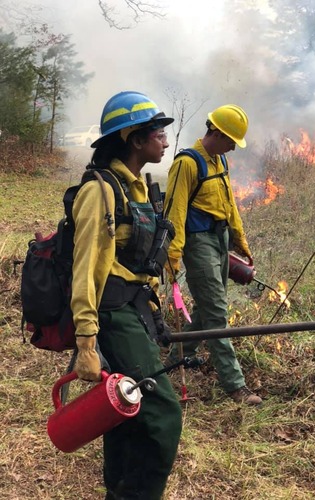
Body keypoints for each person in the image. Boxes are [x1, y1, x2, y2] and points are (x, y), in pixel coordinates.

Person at [71, 90, 182, 500]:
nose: (165, 140)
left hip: (136, 313)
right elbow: (85, 269)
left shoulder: (139, 189)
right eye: (158, 132)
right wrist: (86, 341)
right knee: (163, 416)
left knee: (125, 412)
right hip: (113, 315)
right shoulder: (100, 191)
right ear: (135, 139)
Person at [164, 104, 262, 406]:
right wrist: (173, 255)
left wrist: (240, 242)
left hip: (219, 240)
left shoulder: (220, 161)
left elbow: (230, 205)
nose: (233, 147)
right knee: (218, 312)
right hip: (198, 243)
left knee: (207, 311)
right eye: (231, 140)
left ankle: (176, 356)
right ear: (216, 132)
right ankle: (235, 386)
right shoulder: (187, 163)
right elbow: (175, 211)